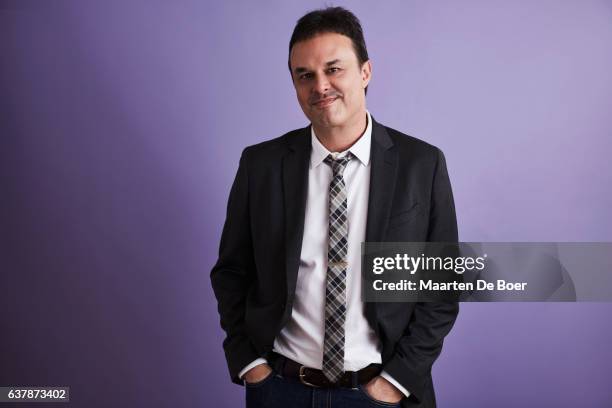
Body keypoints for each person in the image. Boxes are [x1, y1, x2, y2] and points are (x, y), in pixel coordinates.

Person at [211, 6, 458, 408]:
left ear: (365, 72)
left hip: (381, 393)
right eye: (304, 75)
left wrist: (396, 382)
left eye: (334, 69)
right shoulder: (261, 165)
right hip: (280, 390)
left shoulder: (422, 165)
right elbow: (232, 271)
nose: (320, 85)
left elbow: (443, 288)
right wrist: (249, 363)